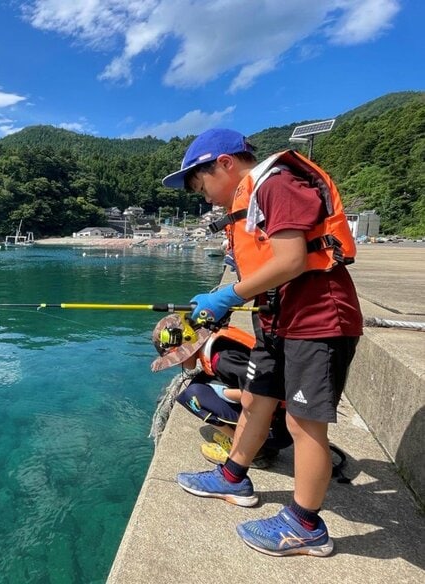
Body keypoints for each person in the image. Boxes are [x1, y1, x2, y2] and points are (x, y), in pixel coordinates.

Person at [162, 129, 362, 557]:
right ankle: (234, 476)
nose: (205, 197)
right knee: (256, 399)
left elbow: (291, 260)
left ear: (225, 164)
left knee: (304, 424)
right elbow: (268, 266)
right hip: (278, 321)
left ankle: (306, 526)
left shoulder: (276, 184)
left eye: (201, 184)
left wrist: (228, 296)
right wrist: (227, 298)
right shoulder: (249, 200)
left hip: (318, 320)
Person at [150, 315, 292, 467]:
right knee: (200, 382)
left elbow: (265, 394)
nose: (176, 364)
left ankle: (249, 450)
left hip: (277, 429)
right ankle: (254, 443)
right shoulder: (218, 341)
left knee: (192, 396)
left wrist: (223, 393)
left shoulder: (223, 359)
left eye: (174, 357)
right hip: (280, 421)